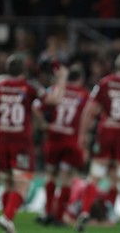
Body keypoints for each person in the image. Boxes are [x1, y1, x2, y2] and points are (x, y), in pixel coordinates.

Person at [76, 52, 120, 233]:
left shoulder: (104, 83)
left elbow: (90, 110)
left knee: (95, 175)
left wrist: (83, 135)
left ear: (116, 67)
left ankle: (84, 212)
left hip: (105, 132)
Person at [0, 54, 68, 233]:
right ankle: (7, 217)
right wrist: (61, 79)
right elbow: (55, 100)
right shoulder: (29, 86)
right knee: (22, 183)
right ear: (24, 70)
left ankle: (7, 220)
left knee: (7, 182)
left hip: (1, 139)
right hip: (20, 142)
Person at [34, 65, 90, 226]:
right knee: (65, 178)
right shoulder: (84, 95)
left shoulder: (55, 90)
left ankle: (47, 213)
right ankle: (58, 216)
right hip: (71, 141)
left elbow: (36, 106)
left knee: (50, 174)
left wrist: (44, 124)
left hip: (54, 137)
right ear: (81, 79)